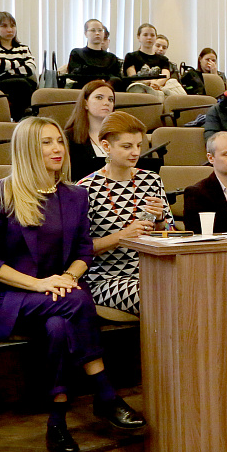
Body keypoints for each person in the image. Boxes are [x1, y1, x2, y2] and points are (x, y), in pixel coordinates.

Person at [0, 117, 145, 452]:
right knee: (78, 302)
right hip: (8, 301)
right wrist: (39, 285)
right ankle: (105, 394)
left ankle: (57, 420)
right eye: (46, 143)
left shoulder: (75, 195)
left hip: (58, 296)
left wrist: (69, 277)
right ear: (26, 150)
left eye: (59, 142)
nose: (56, 149)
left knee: (57, 326)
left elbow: (83, 251)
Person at [78, 112, 174, 314]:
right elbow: (79, 249)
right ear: (106, 147)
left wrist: (160, 221)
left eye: (139, 145)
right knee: (159, 295)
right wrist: (122, 236)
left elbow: (170, 232)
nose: (135, 152)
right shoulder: (85, 189)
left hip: (151, 270)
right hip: (105, 278)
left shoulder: (151, 180)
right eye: (127, 146)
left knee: (195, 287)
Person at [0, 11, 38, 119]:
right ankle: (23, 118)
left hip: (22, 84)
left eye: (12, 26)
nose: (10, 29)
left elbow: (31, 68)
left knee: (25, 84)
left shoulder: (23, 48)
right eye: (4, 26)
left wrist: (6, 68)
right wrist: (20, 63)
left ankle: (21, 119)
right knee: (22, 83)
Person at [64, 80, 117, 182]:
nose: (106, 103)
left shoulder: (121, 135)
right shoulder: (68, 138)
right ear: (85, 103)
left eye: (110, 100)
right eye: (99, 98)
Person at [123, 23, 178, 97]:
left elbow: (165, 76)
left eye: (152, 35)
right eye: (145, 35)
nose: (149, 38)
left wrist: (157, 84)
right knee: (137, 87)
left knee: (173, 82)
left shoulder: (163, 59)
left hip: (160, 87)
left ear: (155, 38)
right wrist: (150, 83)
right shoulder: (131, 56)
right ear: (138, 37)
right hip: (141, 86)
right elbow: (133, 77)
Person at [65, 19, 122, 89]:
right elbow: (75, 75)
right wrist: (99, 80)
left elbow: (117, 78)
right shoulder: (77, 53)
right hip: (83, 90)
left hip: (107, 90)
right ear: (85, 33)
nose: (97, 33)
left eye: (100, 30)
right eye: (93, 30)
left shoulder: (111, 57)